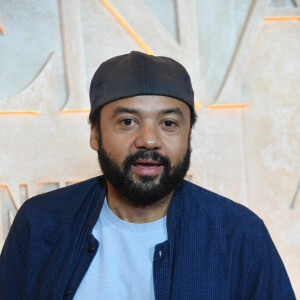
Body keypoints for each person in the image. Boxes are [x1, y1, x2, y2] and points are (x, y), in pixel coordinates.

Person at [0, 51, 296, 299]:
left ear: (188, 136)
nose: (149, 140)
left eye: (168, 123)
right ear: (95, 133)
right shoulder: (39, 223)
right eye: (128, 121)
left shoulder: (240, 234)